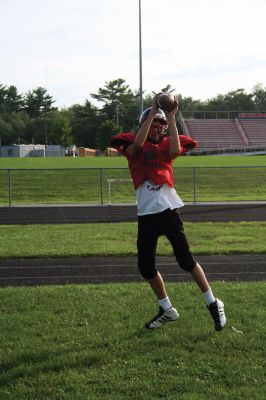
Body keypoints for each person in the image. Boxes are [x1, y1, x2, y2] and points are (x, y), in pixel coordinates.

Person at [109, 94, 226, 331]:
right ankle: (167, 308)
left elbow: (175, 148)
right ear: (144, 126)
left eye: (159, 126)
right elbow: (137, 147)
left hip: (168, 212)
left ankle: (213, 303)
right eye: (151, 125)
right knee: (145, 267)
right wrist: (152, 112)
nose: (155, 129)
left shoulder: (166, 145)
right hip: (146, 215)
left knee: (185, 260)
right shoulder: (133, 145)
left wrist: (170, 117)